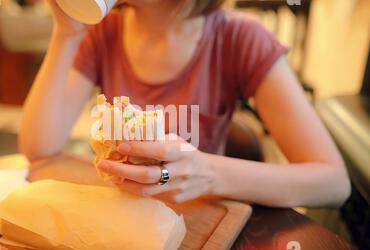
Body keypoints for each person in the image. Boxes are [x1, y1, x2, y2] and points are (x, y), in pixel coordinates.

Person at [19, 0, 350, 208]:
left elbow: (333, 183)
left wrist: (205, 172)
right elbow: (39, 149)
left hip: (201, 219)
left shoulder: (240, 39)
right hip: (123, 218)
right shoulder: (104, 33)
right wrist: (66, 32)